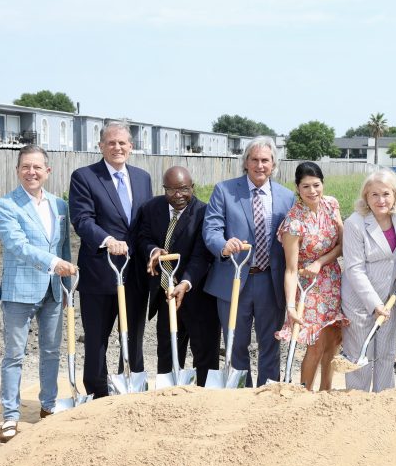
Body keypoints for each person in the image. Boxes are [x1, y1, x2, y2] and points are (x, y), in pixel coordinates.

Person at [0, 145, 77, 442]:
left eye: (37, 167)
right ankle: (10, 416)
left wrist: (66, 283)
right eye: (26, 167)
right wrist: (55, 264)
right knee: (14, 355)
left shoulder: (59, 205)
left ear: (47, 172)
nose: (32, 172)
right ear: (17, 171)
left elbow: (63, 245)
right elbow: (17, 246)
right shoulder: (6, 206)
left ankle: (48, 406)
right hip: (20, 291)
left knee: (51, 352)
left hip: (54, 290)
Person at [69, 122, 153, 398]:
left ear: (131, 146)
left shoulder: (142, 178)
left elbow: (145, 225)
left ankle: (129, 389)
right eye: (111, 142)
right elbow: (82, 219)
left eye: (123, 143)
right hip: (100, 273)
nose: (118, 147)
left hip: (135, 274)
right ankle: (97, 394)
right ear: (101, 146)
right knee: (97, 339)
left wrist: (153, 250)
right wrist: (107, 241)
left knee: (133, 337)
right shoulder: (84, 177)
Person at [203, 136, 295, 385]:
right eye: (254, 159)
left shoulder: (288, 198)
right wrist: (223, 245)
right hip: (234, 279)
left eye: (265, 160)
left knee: (270, 345)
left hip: (270, 281)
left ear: (274, 164)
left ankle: (266, 398)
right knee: (235, 344)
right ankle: (240, 396)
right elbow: (211, 229)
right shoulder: (225, 191)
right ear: (245, 163)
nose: (259, 165)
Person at [137, 166, 220, 383]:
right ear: (163, 188)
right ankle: (168, 401)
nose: (178, 195)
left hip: (198, 295)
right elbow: (143, 237)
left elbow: (202, 255)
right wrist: (153, 250)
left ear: (192, 187)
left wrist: (186, 282)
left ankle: (204, 400)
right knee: (167, 350)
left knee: (204, 354)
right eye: (171, 190)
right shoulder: (150, 208)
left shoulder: (205, 212)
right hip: (166, 295)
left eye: (184, 189)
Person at [340, 168, 396, 392]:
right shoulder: (355, 223)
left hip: (391, 293)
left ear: (395, 195)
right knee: (360, 354)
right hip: (361, 300)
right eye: (374, 195)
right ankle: (358, 402)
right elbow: (354, 269)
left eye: (386, 194)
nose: (381, 200)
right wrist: (375, 304)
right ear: (366, 197)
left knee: (385, 352)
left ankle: (385, 400)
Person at [274, 162, 347, 391]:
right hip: (308, 287)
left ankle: (325, 393)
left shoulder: (331, 205)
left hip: (332, 281)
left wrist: (321, 261)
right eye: (306, 186)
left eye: (316, 185)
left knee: (333, 340)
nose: (312, 191)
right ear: (297, 188)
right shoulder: (294, 222)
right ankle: (304, 395)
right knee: (315, 344)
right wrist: (290, 307)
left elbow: (343, 246)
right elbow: (291, 269)